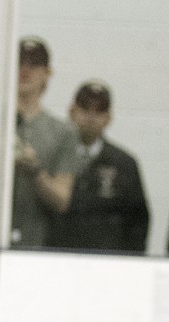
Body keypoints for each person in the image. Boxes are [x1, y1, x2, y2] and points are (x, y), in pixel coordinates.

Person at [47, 81, 149, 253]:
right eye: (85, 109)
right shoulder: (52, 157)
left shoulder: (124, 163)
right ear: (72, 111)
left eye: (99, 111)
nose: (91, 117)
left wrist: (131, 262)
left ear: (108, 118)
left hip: (108, 261)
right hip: (58, 257)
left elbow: (138, 220)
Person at [11, 37, 79, 249]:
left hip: (38, 245)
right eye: (20, 62)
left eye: (34, 64)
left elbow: (62, 199)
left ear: (47, 73)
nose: (25, 70)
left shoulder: (63, 132)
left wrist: (35, 170)